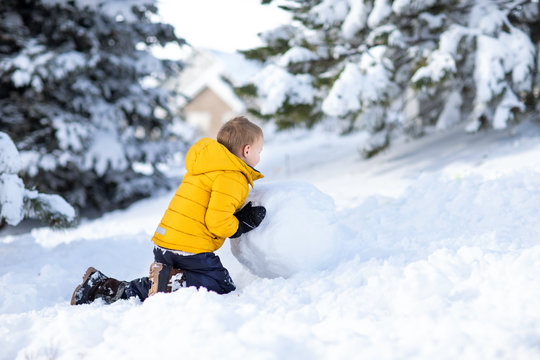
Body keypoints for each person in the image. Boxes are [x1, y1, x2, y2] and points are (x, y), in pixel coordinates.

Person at [71, 116, 266, 305]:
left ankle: (99, 287)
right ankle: (173, 282)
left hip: (165, 243)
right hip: (190, 248)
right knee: (221, 286)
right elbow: (217, 221)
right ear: (247, 150)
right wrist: (240, 224)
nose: (259, 156)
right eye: (259, 150)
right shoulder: (232, 176)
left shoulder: (204, 168)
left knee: (156, 286)